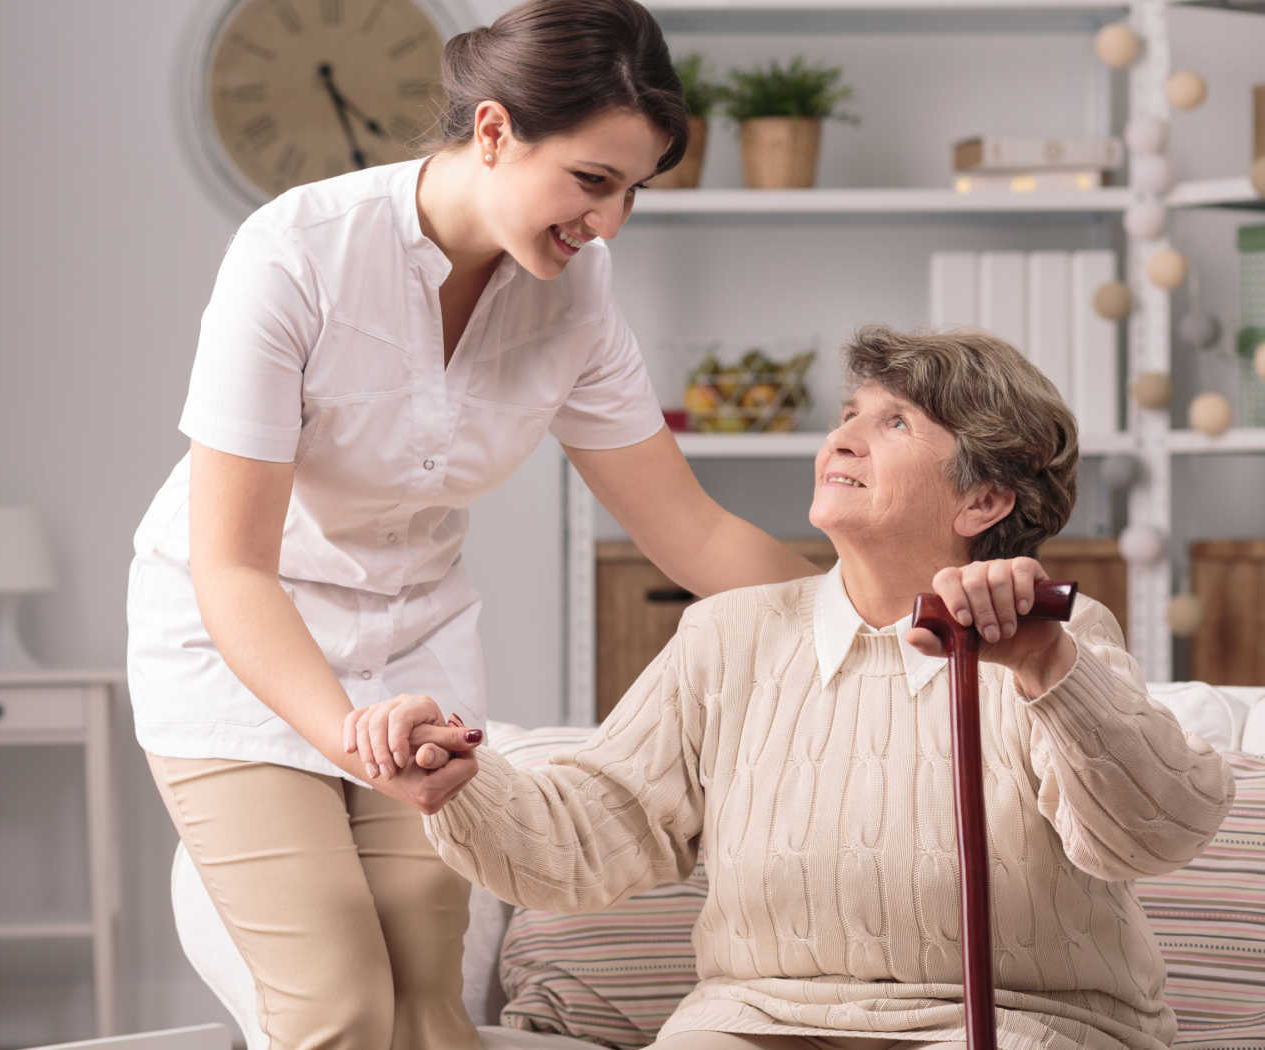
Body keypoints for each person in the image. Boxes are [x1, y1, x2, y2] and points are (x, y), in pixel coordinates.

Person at [125, 2, 817, 1047]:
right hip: (239, 648)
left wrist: (887, 615)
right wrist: (346, 736)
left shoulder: (575, 297)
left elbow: (694, 534)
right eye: (592, 181)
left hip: (414, 647)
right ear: (492, 131)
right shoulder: (296, 254)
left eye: (634, 190)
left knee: (429, 1000)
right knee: (340, 1001)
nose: (610, 222)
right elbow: (233, 567)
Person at [387, 326, 1236, 1050]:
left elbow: (1152, 834)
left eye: (895, 422)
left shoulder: (1059, 638)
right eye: (847, 418)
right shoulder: (729, 636)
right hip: (751, 1019)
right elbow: (592, 830)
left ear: (983, 498)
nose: (843, 440)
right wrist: (464, 783)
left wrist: (1048, 669)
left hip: (1019, 1021)